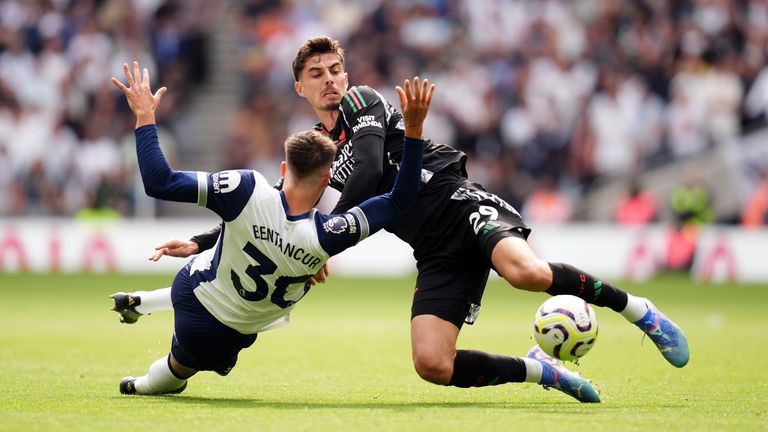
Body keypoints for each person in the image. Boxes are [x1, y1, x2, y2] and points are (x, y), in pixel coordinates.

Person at [118, 35, 690, 397]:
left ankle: (640, 312)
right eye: (318, 74)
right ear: (300, 87)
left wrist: (321, 240)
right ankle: (544, 370)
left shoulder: (365, 102)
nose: (332, 80)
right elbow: (271, 207)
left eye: (336, 68)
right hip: (431, 249)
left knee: (527, 274)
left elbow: (366, 169)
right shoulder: (311, 148)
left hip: (456, 202)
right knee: (432, 365)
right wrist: (202, 241)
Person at [110, 61, 433, 395]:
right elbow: (400, 199)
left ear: (283, 167)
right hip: (230, 332)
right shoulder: (325, 238)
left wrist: (145, 115)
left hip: (193, 290)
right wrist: (413, 132)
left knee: (226, 255)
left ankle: (143, 301)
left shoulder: (245, 189)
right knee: (177, 370)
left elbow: (160, 182)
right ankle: (140, 382)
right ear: (327, 180)